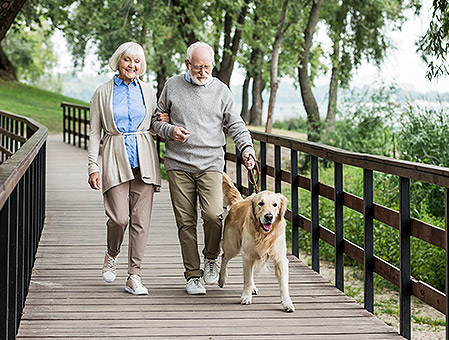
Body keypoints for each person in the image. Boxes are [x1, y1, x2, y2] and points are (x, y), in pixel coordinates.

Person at [151, 41, 255, 295]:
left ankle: (211, 256)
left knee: (212, 215)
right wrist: (170, 131)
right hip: (178, 164)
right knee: (185, 222)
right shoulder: (172, 86)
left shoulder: (221, 90)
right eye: (198, 67)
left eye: (207, 67)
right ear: (188, 64)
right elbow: (156, 121)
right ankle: (193, 275)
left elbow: (236, 124)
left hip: (210, 164)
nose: (203, 72)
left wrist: (247, 149)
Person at [88, 41, 164, 295]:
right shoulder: (102, 92)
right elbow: (94, 132)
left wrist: (164, 121)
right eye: (127, 60)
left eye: (137, 61)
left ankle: (134, 276)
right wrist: (92, 166)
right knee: (119, 218)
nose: (132, 65)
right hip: (114, 157)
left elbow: (153, 124)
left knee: (141, 222)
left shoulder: (149, 91)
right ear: (118, 62)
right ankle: (112, 254)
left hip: (144, 159)